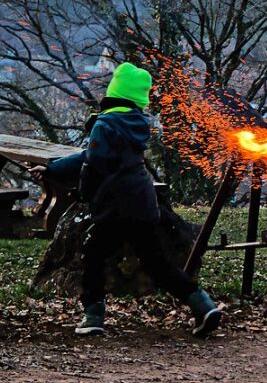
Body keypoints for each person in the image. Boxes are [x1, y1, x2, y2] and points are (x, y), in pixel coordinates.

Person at [31, 62, 223, 337]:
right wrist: (52, 168)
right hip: (143, 204)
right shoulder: (134, 123)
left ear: (114, 91)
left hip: (115, 208)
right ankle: (203, 305)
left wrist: (55, 174)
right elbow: (95, 157)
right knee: (158, 264)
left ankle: (93, 316)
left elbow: (93, 162)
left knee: (93, 256)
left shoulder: (105, 123)